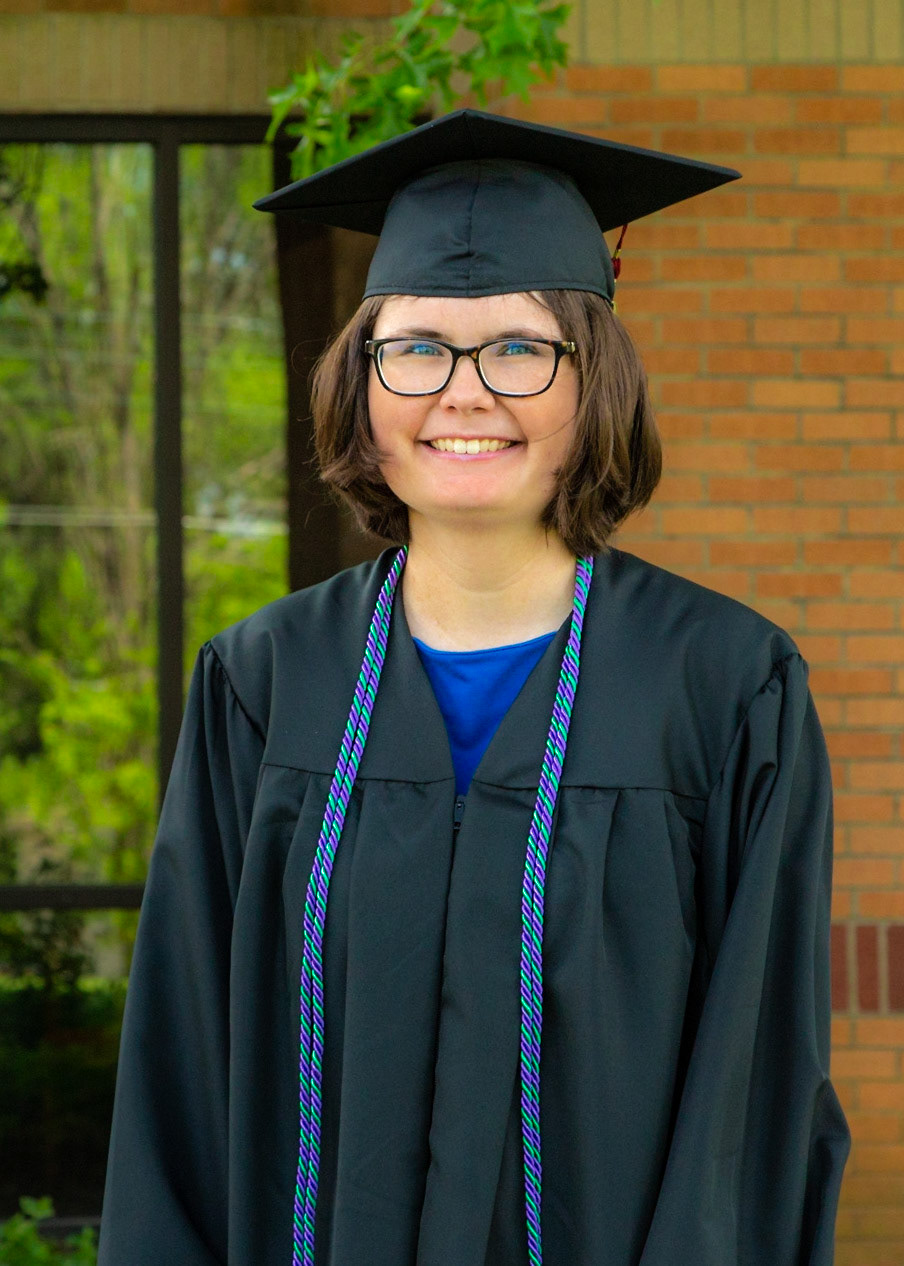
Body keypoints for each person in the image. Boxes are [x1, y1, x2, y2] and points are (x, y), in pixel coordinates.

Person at [97, 109, 851, 1266]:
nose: (461, 392)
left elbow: (751, 1095)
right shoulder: (262, 683)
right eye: (415, 348)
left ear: (590, 378)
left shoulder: (724, 687)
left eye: (517, 347)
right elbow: (180, 1073)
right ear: (362, 382)